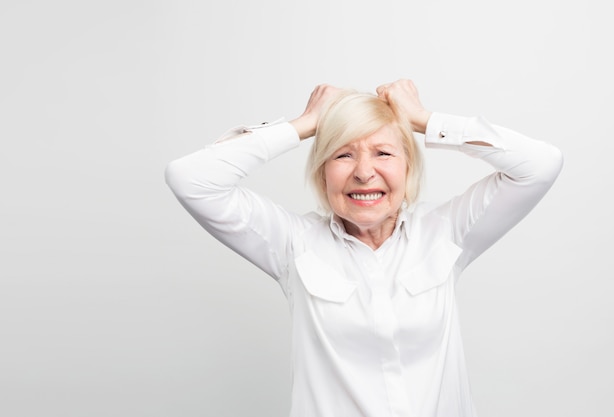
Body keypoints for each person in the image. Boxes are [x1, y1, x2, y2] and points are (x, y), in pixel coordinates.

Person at [165, 79, 563, 417]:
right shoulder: (293, 244)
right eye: (343, 154)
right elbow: (190, 178)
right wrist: (304, 125)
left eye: (383, 152)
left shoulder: (444, 233)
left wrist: (425, 120)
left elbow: (541, 164)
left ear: (408, 168)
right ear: (322, 173)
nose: (364, 171)